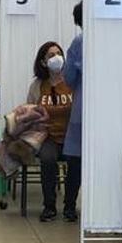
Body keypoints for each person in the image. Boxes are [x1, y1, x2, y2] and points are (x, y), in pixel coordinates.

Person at [26, 41, 76, 222]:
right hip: (47, 136)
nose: (56, 58)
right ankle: (49, 206)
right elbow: (31, 112)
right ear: (43, 62)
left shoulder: (72, 82)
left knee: (75, 161)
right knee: (47, 159)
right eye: (51, 55)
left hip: (71, 134)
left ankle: (70, 206)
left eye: (58, 53)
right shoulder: (37, 86)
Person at [59, 2, 83, 220]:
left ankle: (69, 206)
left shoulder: (79, 42)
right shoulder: (118, 38)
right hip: (113, 114)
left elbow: (69, 78)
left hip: (83, 110)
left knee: (75, 162)